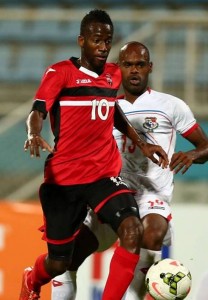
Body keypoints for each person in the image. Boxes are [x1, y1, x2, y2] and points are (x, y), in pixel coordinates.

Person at [19, 11, 169, 300]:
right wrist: (32, 132)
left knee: (131, 230)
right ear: (82, 41)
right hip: (64, 180)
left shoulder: (113, 75)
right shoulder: (59, 72)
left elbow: (112, 111)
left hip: (103, 174)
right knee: (59, 262)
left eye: (107, 41)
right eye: (96, 40)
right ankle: (32, 277)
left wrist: (141, 143)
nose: (103, 46)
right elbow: (37, 110)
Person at [50, 41, 208, 300]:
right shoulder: (105, 107)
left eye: (140, 65)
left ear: (150, 67)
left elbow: (205, 146)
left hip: (150, 196)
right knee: (66, 259)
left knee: (153, 231)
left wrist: (191, 154)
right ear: (118, 68)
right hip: (111, 194)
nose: (134, 70)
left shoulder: (171, 106)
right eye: (128, 64)